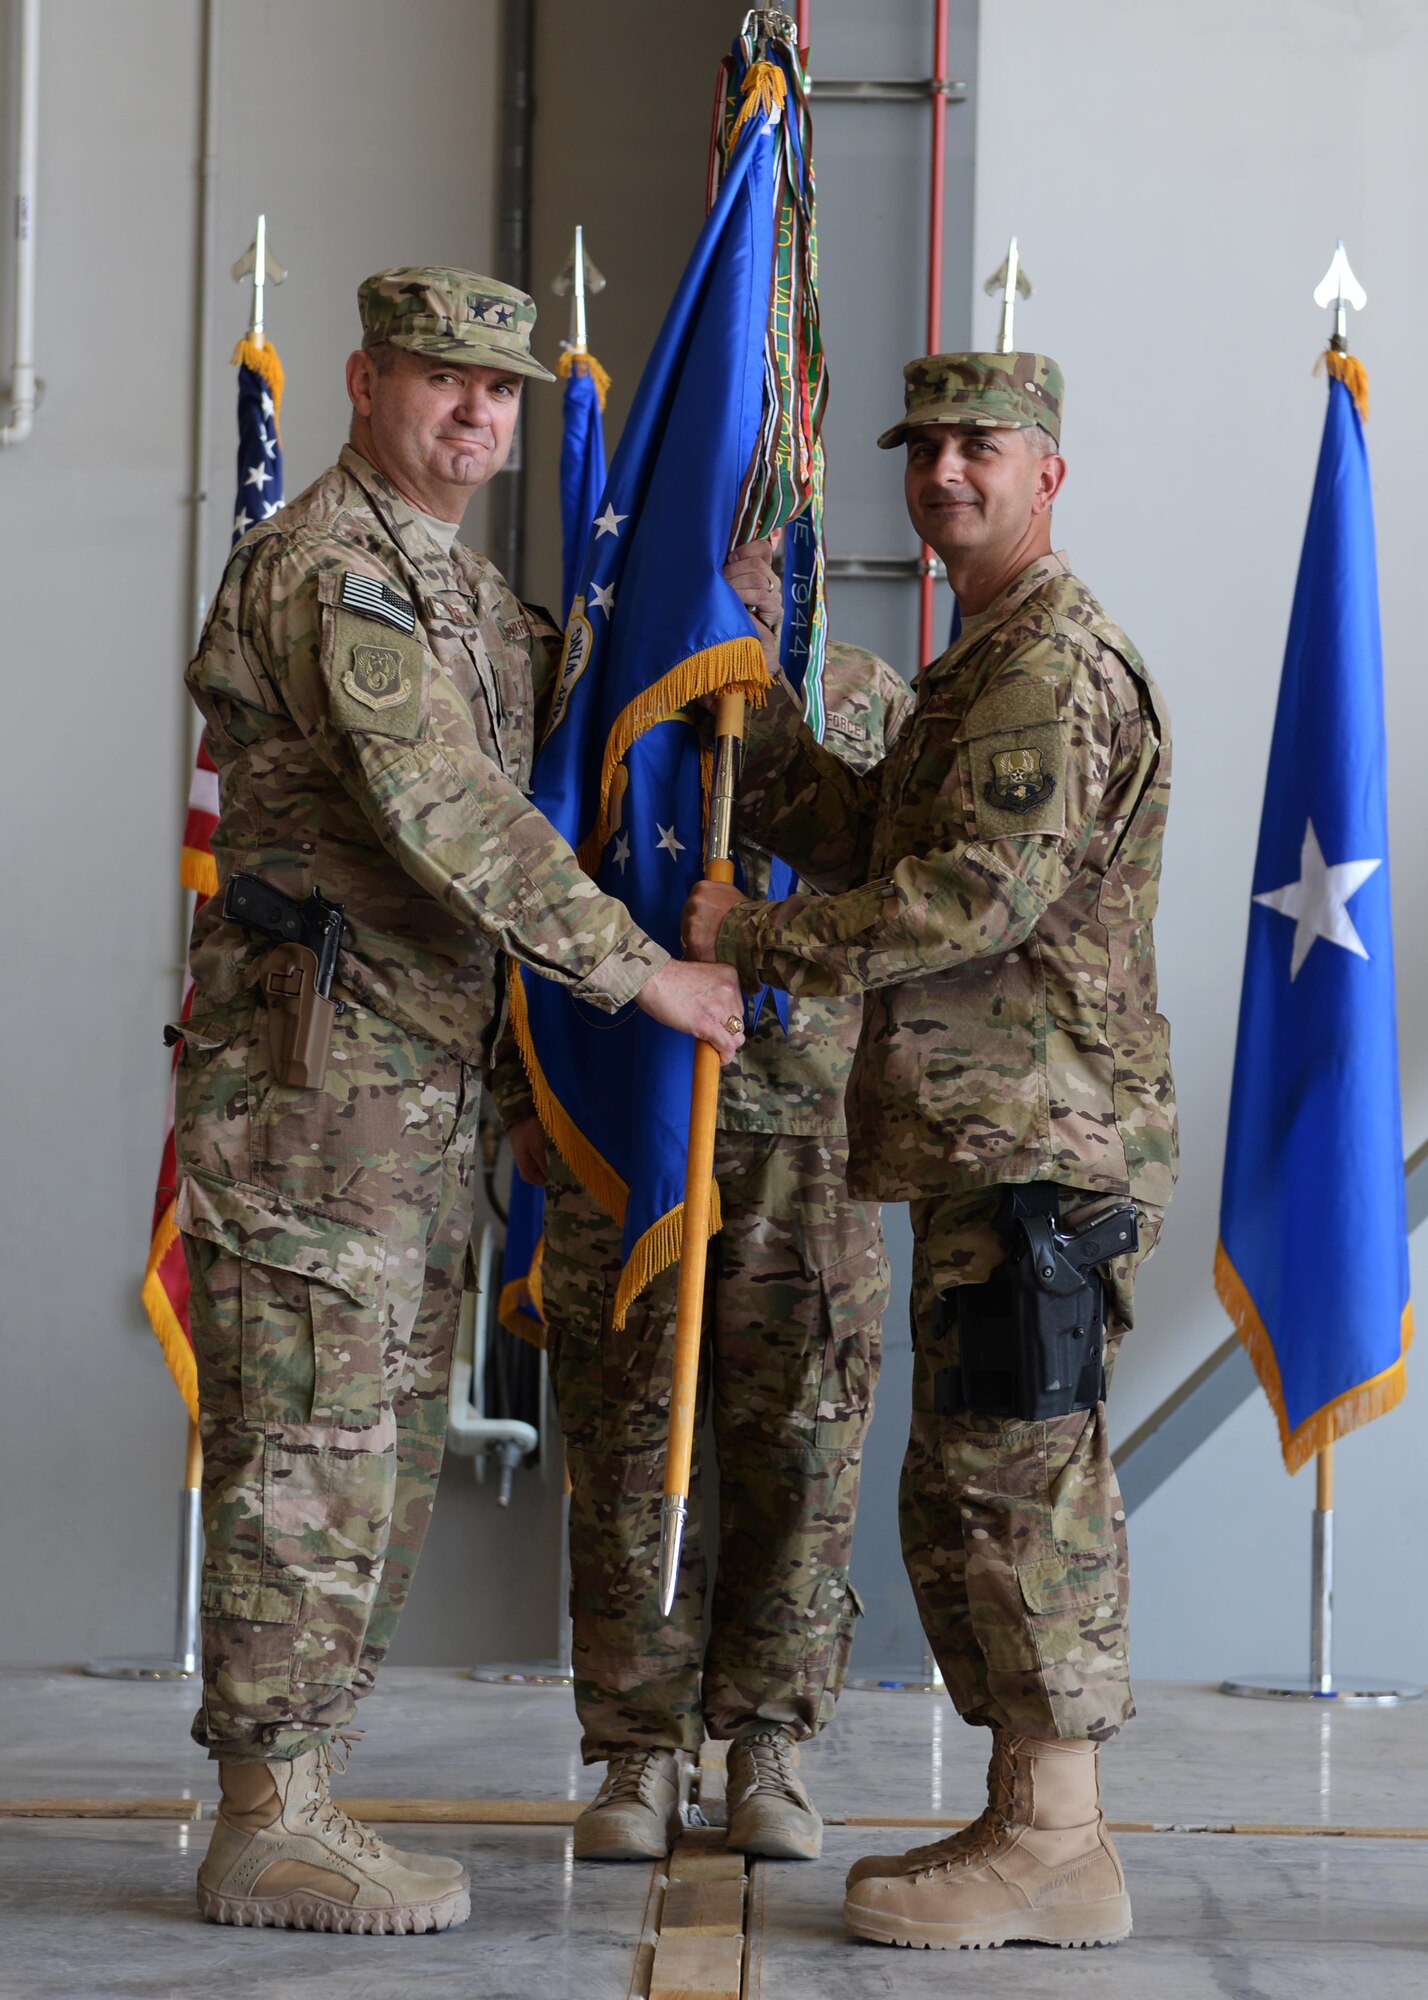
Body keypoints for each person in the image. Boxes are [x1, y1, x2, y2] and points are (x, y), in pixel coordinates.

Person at [174, 267, 748, 1936]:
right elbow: (446, 812)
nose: (474, 416)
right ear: (362, 384)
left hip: (409, 1097)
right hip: (315, 1097)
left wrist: (715, 626)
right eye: (440, 382)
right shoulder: (335, 570)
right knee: (307, 1450)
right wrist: (641, 973)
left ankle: (304, 1794)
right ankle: (264, 1813)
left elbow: (579, 718)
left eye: (500, 395)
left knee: (381, 1456)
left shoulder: (463, 596)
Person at [683, 353, 1176, 1951]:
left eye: (983, 446)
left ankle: (1060, 1843)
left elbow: (975, 895)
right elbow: (870, 833)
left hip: (1044, 1136)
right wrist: (743, 684)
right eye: (930, 446)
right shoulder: (979, 665)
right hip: (986, 1140)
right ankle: (1026, 1816)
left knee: (1024, 1486)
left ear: (1049, 471)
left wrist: (753, 934)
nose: (947, 470)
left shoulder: (1047, 667)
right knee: (970, 1479)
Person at [498, 642, 912, 1864]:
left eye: (775, 519)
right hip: (629, 1135)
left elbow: (922, 910)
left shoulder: (870, 700)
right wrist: (518, 1082)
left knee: (802, 1446)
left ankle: (768, 1742)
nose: (752, 551)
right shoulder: (612, 671)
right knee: (627, 1437)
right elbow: (515, 875)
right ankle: (638, 1744)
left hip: (812, 1141)